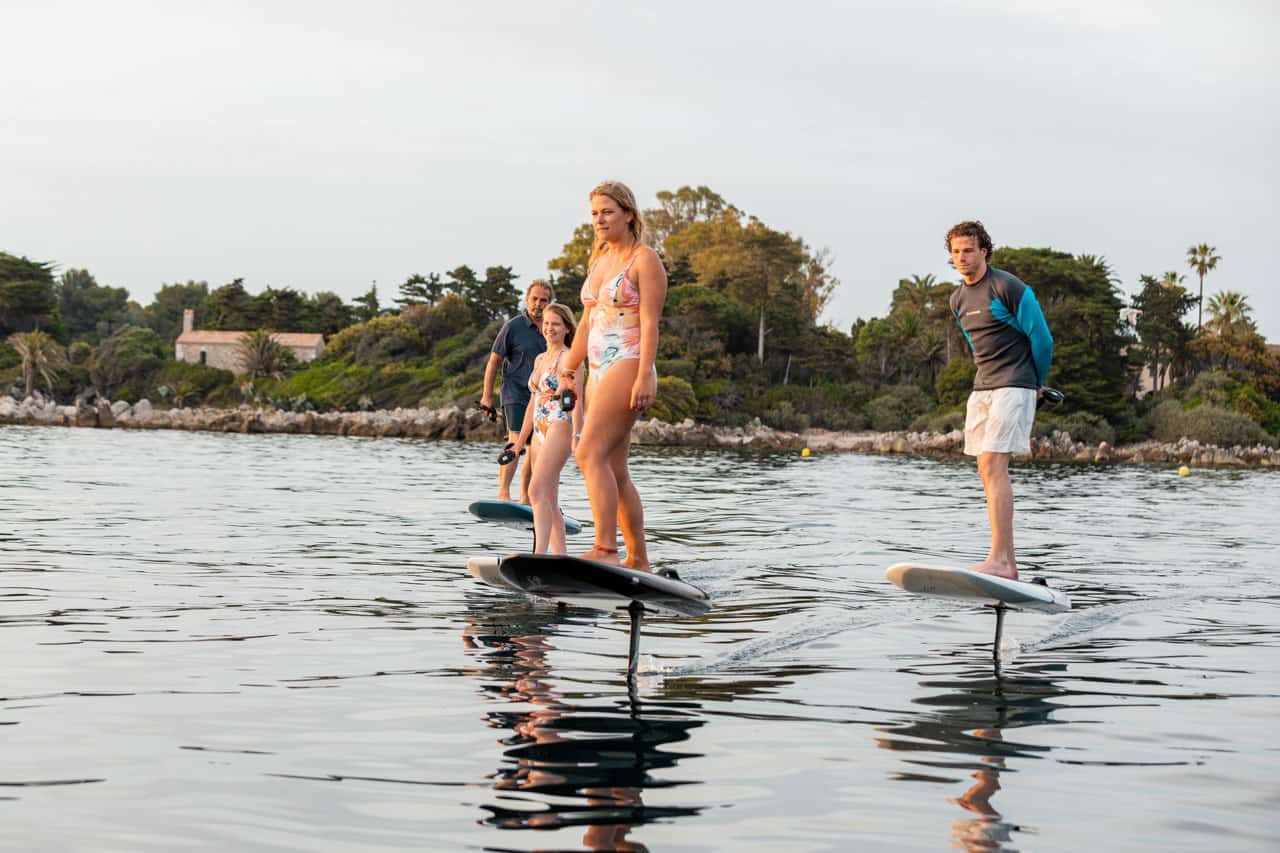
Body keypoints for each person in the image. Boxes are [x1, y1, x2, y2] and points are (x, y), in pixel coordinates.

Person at [559, 181, 667, 569]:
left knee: (587, 452)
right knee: (615, 466)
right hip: (598, 366)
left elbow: (651, 323)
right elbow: (587, 322)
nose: (599, 220)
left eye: (607, 211)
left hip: (629, 358)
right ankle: (638, 559)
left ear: (628, 214)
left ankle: (605, 547)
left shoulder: (644, 260)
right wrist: (568, 367)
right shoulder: (599, 261)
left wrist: (644, 376)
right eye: (593, 213)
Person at [947, 220, 1053, 580]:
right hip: (983, 387)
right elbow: (977, 346)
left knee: (993, 464)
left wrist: (1036, 383)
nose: (962, 257)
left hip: (1015, 383)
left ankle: (1002, 561)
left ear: (984, 251)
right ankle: (1005, 561)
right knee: (986, 468)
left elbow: (1042, 339)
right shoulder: (957, 299)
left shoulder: (1006, 286)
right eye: (956, 251)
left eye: (968, 250)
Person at [507, 303, 585, 555]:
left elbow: (579, 400)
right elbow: (533, 401)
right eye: (547, 323)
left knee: (535, 489)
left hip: (559, 423)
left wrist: (577, 435)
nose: (550, 328)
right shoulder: (541, 358)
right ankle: (560, 557)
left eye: (556, 324)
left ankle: (539, 555)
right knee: (549, 498)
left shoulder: (570, 358)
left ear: (566, 329)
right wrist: (519, 443)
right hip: (538, 425)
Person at [481, 280, 552, 503]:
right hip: (514, 393)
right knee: (516, 439)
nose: (538, 304)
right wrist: (486, 396)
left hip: (541, 397)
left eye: (543, 300)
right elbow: (493, 362)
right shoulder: (513, 326)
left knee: (534, 447)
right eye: (535, 299)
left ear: (550, 303)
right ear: (526, 299)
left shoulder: (553, 328)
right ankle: (503, 493)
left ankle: (525, 497)